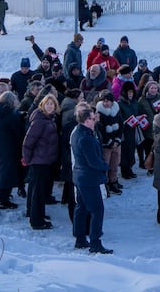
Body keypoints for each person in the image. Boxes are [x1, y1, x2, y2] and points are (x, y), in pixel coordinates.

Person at [71, 101, 113, 253]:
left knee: (81, 208)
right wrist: (106, 166)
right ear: (87, 120)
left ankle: (80, 239)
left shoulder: (77, 132)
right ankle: (95, 242)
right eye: (93, 118)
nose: (95, 120)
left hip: (80, 176)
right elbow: (93, 161)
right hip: (88, 178)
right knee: (97, 210)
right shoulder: (86, 138)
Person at [22, 93, 61, 229]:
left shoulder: (49, 119)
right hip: (39, 161)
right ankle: (37, 221)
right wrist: (27, 159)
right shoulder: (40, 121)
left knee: (38, 190)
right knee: (38, 192)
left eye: (52, 104)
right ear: (42, 105)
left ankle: (37, 214)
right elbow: (28, 141)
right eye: (47, 104)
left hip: (45, 160)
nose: (50, 107)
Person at [0, 90, 25, 209]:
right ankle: (3, 200)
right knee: (7, 173)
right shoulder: (11, 115)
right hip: (10, 148)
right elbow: (19, 132)